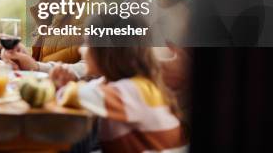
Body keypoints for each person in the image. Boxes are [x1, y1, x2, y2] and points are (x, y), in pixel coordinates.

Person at [56, 15, 187, 153]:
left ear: (105, 51)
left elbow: (74, 96)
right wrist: (66, 85)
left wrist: (64, 87)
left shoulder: (134, 89)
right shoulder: (118, 84)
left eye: (86, 43)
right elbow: (85, 92)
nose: (80, 49)